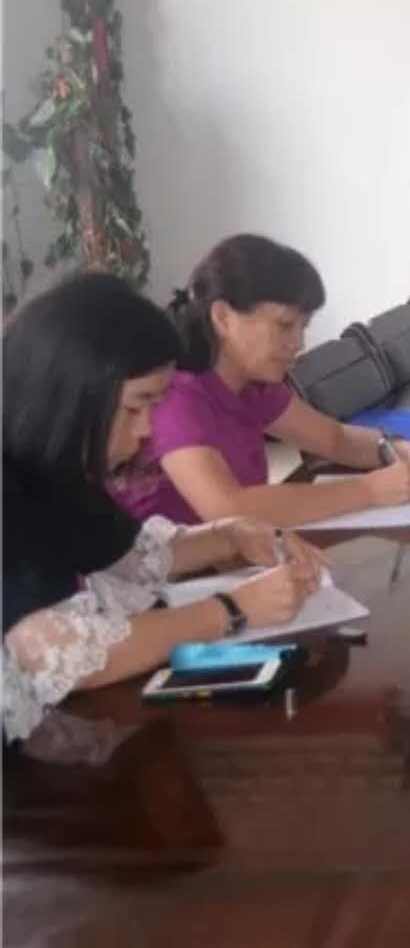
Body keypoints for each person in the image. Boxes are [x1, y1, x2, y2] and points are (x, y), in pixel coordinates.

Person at [3, 272, 325, 741]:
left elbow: (124, 554)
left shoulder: (53, 466)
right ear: (70, 395)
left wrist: (231, 536)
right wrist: (232, 610)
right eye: (136, 407)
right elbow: (60, 653)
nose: (147, 430)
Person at [119, 235, 410, 528]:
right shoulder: (176, 397)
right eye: (284, 325)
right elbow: (226, 508)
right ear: (223, 317)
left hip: (233, 560)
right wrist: (368, 491)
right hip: (166, 579)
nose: (298, 342)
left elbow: (334, 438)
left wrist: (408, 451)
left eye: (303, 326)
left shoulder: (253, 384)